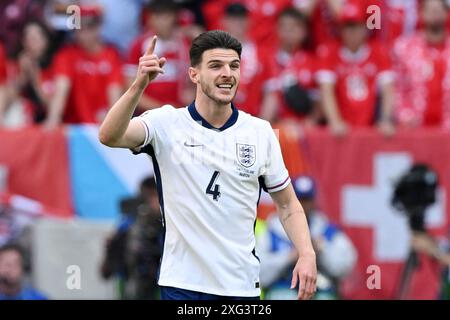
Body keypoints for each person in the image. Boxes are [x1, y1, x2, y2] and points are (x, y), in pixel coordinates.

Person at [98, 30, 317, 300]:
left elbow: (287, 204)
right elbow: (109, 135)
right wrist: (139, 84)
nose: (227, 73)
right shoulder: (166, 123)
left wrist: (306, 253)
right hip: (182, 284)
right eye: (216, 66)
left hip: (241, 286)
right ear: (194, 74)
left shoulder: (260, 132)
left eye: (234, 66)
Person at [258, 175, 357, 300]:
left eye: (307, 200)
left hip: (321, 292)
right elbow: (258, 274)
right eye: (299, 199)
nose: (303, 205)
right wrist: (290, 256)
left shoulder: (327, 230)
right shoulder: (273, 231)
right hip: (283, 291)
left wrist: (319, 251)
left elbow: (344, 268)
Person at [316, 2, 395, 136]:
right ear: (341, 29)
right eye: (347, 27)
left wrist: (386, 119)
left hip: (372, 125)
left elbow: (388, 89)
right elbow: (326, 91)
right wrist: (335, 121)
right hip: (342, 127)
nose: (352, 32)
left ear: (365, 28)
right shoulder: (329, 52)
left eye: (356, 26)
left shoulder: (378, 52)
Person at [100, 176, 163, 300]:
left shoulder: (169, 222)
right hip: (130, 278)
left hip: (159, 281)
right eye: (151, 196)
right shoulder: (130, 221)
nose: (154, 201)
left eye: (156, 196)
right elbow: (115, 244)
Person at [394, 0, 450, 130]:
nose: (434, 14)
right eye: (430, 10)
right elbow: (397, 87)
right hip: (415, 128)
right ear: (420, 14)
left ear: (447, 13)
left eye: (438, 9)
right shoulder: (404, 48)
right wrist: (405, 116)